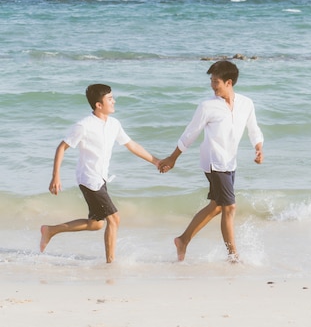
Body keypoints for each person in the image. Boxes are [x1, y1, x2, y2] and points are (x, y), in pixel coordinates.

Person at [40, 84, 160, 263]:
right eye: (110, 99)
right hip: (89, 178)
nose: (114, 101)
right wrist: (55, 176)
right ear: (99, 104)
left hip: (101, 177)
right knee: (114, 219)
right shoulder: (84, 125)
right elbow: (62, 147)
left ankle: (50, 230)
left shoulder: (114, 124)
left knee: (96, 224)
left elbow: (131, 145)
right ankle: (110, 264)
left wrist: (156, 161)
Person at [159, 60, 264, 263]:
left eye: (216, 81)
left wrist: (258, 147)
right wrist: (173, 158)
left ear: (229, 82)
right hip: (214, 161)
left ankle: (183, 240)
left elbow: (254, 129)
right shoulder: (207, 106)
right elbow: (190, 133)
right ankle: (233, 256)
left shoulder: (246, 103)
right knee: (229, 207)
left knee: (217, 206)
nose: (212, 85)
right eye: (211, 81)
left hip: (230, 161)